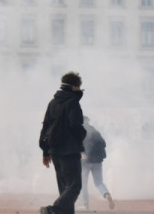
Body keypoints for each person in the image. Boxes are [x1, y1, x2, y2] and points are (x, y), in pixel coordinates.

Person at [38, 71, 87, 214]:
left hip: (54, 152)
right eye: (79, 86)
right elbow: (75, 125)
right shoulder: (73, 102)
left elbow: (45, 127)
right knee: (74, 186)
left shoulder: (53, 103)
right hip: (70, 151)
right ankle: (53, 210)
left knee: (65, 189)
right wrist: (82, 136)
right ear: (74, 87)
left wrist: (45, 152)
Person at [80, 117, 115, 210]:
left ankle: (85, 204)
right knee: (99, 182)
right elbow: (104, 143)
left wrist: (83, 154)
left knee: (83, 184)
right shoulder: (95, 131)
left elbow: (77, 145)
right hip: (98, 161)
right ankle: (106, 195)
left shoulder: (79, 131)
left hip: (85, 162)